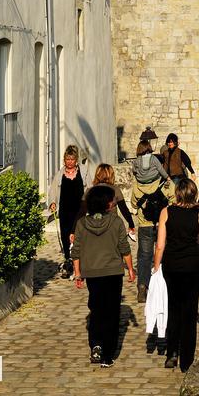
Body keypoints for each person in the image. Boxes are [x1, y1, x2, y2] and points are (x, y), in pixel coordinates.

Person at [152, 178, 199, 372]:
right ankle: (186, 360)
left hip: (171, 266)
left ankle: (172, 353)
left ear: (178, 193)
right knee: (189, 312)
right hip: (191, 266)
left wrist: (156, 268)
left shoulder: (166, 212)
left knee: (173, 308)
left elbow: (160, 245)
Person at [71, 184, 136, 367]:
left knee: (97, 310)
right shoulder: (116, 223)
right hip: (113, 272)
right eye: (111, 200)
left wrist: (77, 274)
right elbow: (124, 248)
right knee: (112, 312)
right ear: (107, 204)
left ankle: (96, 345)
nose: (113, 202)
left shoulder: (82, 224)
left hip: (92, 273)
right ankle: (108, 354)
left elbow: (76, 251)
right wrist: (130, 269)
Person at [131, 142, 176, 303]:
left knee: (144, 256)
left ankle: (142, 288)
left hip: (145, 224)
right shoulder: (164, 183)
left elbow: (133, 203)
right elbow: (173, 199)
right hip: (163, 223)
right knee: (163, 252)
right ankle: (164, 285)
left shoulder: (137, 184)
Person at [48, 144, 91, 277]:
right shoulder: (60, 174)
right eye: (67, 159)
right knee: (66, 237)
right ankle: (68, 263)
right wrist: (53, 202)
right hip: (65, 211)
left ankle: (81, 263)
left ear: (76, 160)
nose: (70, 162)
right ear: (64, 160)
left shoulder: (83, 172)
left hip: (80, 210)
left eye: (72, 159)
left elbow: (90, 188)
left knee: (80, 236)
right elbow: (54, 190)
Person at [73, 163, 137, 242]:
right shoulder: (115, 190)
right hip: (112, 225)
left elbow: (81, 212)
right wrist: (131, 224)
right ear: (111, 175)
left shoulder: (89, 190)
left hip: (94, 226)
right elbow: (124, 209)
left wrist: (73, 231)